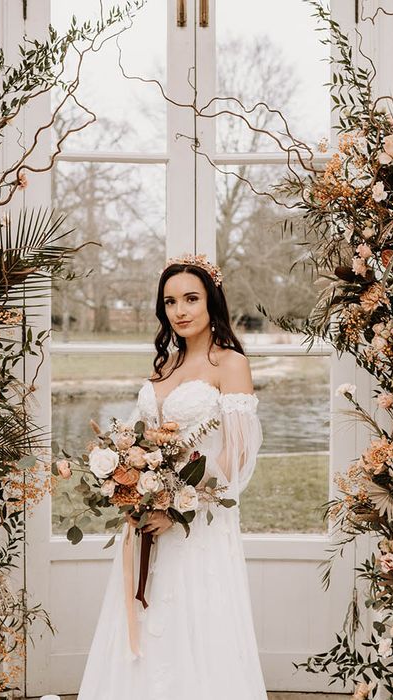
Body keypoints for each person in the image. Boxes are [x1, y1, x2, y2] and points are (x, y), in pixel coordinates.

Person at [77, 254, 268, 700]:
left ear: (211, 302)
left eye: (190, 299)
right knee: (143, 617)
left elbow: (239, 456)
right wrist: (127, 484)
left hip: (195, 522)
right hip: (146, 520)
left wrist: (180, 504)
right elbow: (139, 439)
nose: (179, 311)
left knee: (194, 618)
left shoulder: (230, 365)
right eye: (170, 301)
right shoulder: (164, 366)